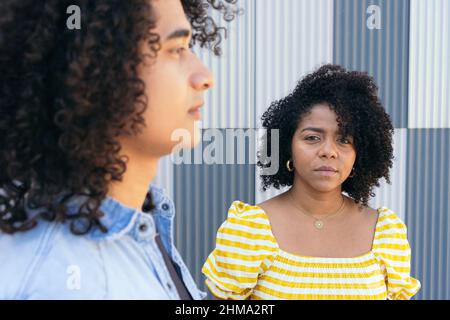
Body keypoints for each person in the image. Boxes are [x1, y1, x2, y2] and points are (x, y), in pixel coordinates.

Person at [0, 0, 238, 299]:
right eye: (176, 49)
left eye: (189, 47)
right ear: (95, 70)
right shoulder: (70, 281)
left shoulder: (137, 226)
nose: (205, 77)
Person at [202, 64, 421, 300]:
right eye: (312, 138)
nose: (329, 151)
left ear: (360, 152)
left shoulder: (386, 234)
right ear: (288, 146)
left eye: (344, 140)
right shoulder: (249, 231)